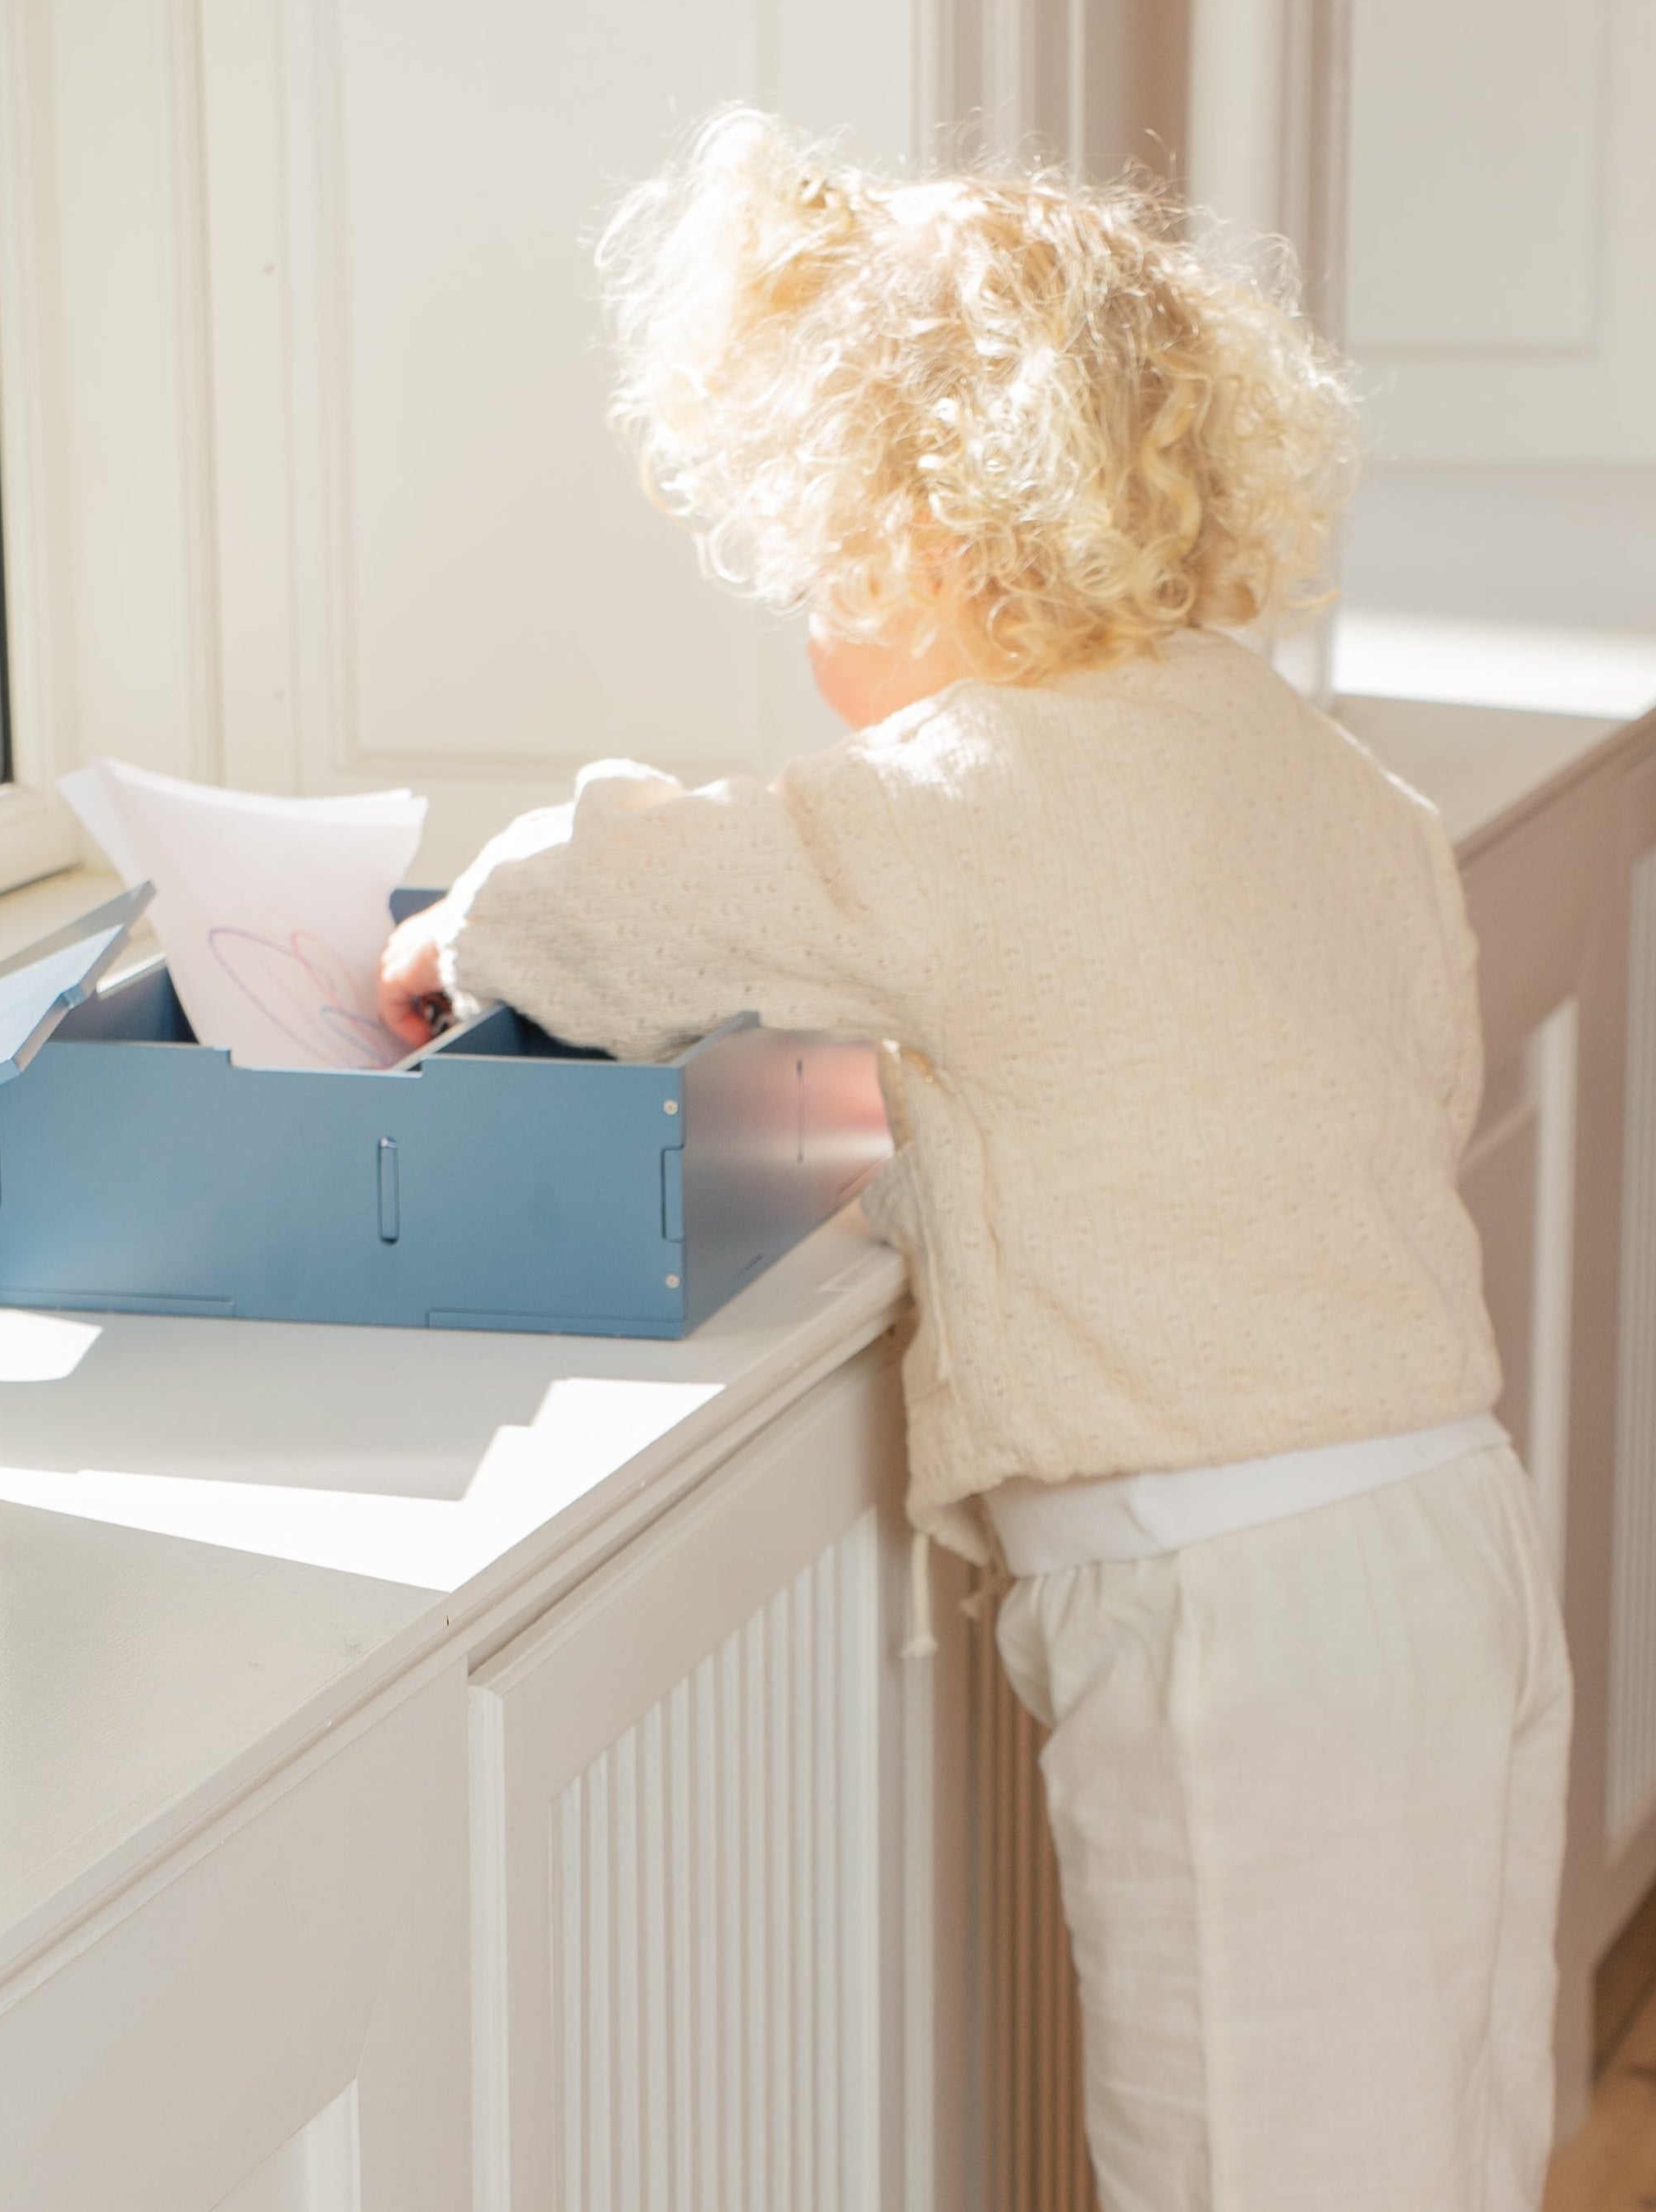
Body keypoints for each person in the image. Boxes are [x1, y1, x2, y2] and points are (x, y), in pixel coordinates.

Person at [378, 108, 1571, 2210]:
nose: (815, 647)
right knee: (1440, 2122)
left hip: (1228, 1601)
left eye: (817, 577)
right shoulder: (1327, 785)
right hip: (1444, 1528)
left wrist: (450, 930)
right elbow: (1299, 1090)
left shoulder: (964, 793)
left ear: (911, 540)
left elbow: (629, 900)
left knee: (1248, 2161)